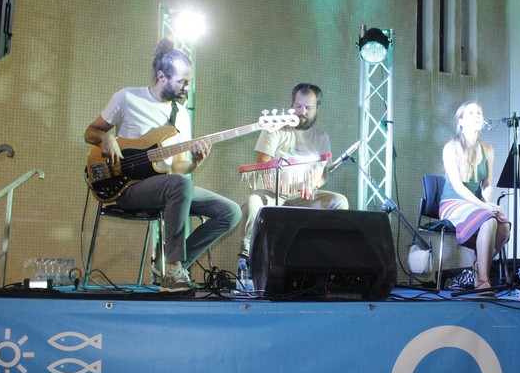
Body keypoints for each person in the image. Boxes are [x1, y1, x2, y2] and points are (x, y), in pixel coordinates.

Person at [84, 39, 242, 292]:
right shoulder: (127, 97)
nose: (187, 87)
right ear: (161, 76)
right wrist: (106, 137)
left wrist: (195, 162)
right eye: (182, 82)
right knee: (178, 185)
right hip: (127, 188)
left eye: (189, 81)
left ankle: (172, 266)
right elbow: (90, 132)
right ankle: (173, 269)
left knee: (230, 211)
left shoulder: (180, 114)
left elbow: (178, 168)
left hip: (165, 185)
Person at [238, 83, 348, 259]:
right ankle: (246, 258)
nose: (302, 112)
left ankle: (326, 257)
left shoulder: (321, 137)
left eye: (308, 108)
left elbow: (323, 174)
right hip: (270, 194)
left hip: (302, 197)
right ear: (291, 105)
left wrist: (312, 184)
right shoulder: (275, 127)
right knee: (252, 203)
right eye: (298, 106)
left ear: (317, 109)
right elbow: (262, 161)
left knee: (339, 202)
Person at [440, 101, 511, 292]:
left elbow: (487, 183)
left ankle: (479, 265)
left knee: (504, 226)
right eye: (471, 113)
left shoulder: (488, 149)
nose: (477, 115)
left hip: (477, 203)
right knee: (489, 220)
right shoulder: (450, 148)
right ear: (461, 121)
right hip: (453, 201)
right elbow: (457, 185)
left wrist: (487, 203)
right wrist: (483, 206)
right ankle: (482, 281)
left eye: (479, 112)